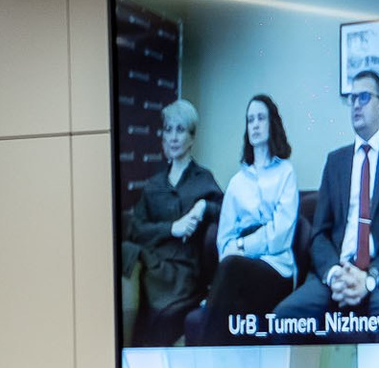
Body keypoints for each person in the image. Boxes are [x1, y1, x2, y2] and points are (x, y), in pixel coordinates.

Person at [271, 72, 379, 339]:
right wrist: (333, 274)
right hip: (339, 270)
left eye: (363, 97)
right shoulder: (335, 162)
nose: (355, 105)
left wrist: (370, 277)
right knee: (285, 317)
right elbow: (320, 234)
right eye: (352, 99)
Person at [121, 98, 222, 347]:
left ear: (192, 137)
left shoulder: (203, 178)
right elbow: (136, 229)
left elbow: (224, 212)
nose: (174, 137)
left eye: (180, 130)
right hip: (152, 262)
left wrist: (202, 206)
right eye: (168, 130)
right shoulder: (154, 184)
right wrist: (172, 228)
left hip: (183, 271)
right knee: (126, 255)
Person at [199, 94, 298, 344]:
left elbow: (280, 236)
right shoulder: (237, 182)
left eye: (260, 118)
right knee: (231, 271)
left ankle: (203, 346)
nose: (254, 125)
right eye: (250, 119)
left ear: (272, 123)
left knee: (231, 267)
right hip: (239, 269)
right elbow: (224, 240)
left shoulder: (286, 173)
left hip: (277, 268)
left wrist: (243, 245)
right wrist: (235, 250)